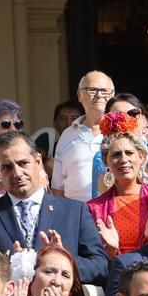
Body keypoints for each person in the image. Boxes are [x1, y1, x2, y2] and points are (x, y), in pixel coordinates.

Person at [0, 130, 109, 287]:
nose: (17, 173)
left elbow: (101, 267)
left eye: (23, 163)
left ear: (38, 161)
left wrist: (64, 259)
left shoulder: (74, 212)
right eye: (7, 167)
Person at [87, 115, 148, 258]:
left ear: (141, 157)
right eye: (116, 155)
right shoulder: (94, 208)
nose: (124, 160)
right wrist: (111, 251)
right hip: (113, 276)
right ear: (106, 161)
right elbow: (93, 258)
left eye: (129, 153)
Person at [90, 95, 148, 188]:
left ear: (145, 120)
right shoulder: (103, 157)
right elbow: (103, 199)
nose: (126, 120)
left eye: (132, 113)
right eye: (117, 116)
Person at [51, 73, 114, 202]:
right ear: (80, 95)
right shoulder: (67, 135)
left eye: (104, 91)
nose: (99, 95)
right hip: (74, 215)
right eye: (92, 90)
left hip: (113, 213)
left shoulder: (120, 131)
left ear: (112, 95)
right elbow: (57, 187)